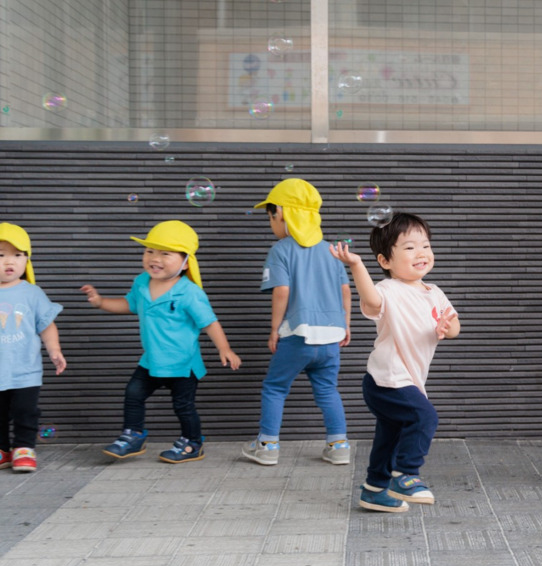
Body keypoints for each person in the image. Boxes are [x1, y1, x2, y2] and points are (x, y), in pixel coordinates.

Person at [81, 220, 241, 463]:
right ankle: (133, 435)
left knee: (183, 406)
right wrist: (101, 302)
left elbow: (209, 322)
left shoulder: (189, 292)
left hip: (182, 363)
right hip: (151, 360)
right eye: (149, 251)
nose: (154, 258)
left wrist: (225, 348)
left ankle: (193, 443)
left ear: (186, 262)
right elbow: (129, 305)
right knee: (133, 394)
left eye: (165, 253)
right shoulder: (141, 282)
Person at [331, 211, 459, 512]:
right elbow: (373, 302)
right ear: (385, 261)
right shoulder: (389, 290)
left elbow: (454, 325)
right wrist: (357, 266)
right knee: (424, 417)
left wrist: (446, 327)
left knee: (390, 434)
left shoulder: (435, 293)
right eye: (410, 247)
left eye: (425, 245)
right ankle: (405, 474)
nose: (422, 253)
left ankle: (374, 489)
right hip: (386, 379)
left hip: (406, 379)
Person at [242, 178, 353, 467]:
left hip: (297, 334)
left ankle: (267, 446)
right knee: (328, 390)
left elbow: (282, 291)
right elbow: (345, 291)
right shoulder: (332, 251)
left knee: (275, 387)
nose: (271, 223)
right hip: (331, 337)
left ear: (281, 213)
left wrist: (275, 329)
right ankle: (339, 445)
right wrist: (346, 325)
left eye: (270, 216)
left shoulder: (281, 249)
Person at [0, 223, 66, 473]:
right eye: (1, 254)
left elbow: (46, 326)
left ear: (27, 260)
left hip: (25, 370)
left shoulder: (32, 293)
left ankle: (24, 448)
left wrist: (54, 350)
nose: (10, 261)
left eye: (18, 255)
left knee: (26, 411)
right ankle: (3, 450)